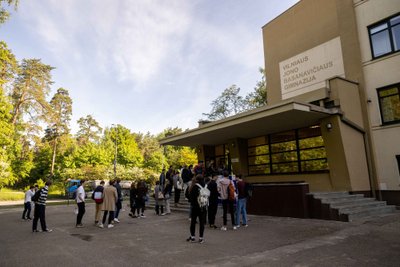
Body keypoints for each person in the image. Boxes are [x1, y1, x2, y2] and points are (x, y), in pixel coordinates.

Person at [186, 174, 207, 244]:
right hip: (203, 207)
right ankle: (201, 238)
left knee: (193, 222)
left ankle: (192, 237)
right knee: (202, 223)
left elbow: (189, 196)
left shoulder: (194, 186)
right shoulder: (205, 186)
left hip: (194, 207)